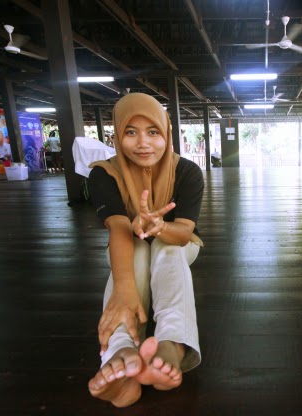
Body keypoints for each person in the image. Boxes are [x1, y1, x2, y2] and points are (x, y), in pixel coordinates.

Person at [86, 93, 204, 408]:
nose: (143, 143)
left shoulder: (188, 172)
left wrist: (161, 227)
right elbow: (118, 229)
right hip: (128, 242)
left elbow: (184, 233)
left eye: (153, 132)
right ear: (116, 134)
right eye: (131, 132)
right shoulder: (103, 174)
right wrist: (123, 289)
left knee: (167, 249)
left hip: (177, 242)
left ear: (166, 133)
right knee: (136, 250)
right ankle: (121, 353)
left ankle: (172, 343)